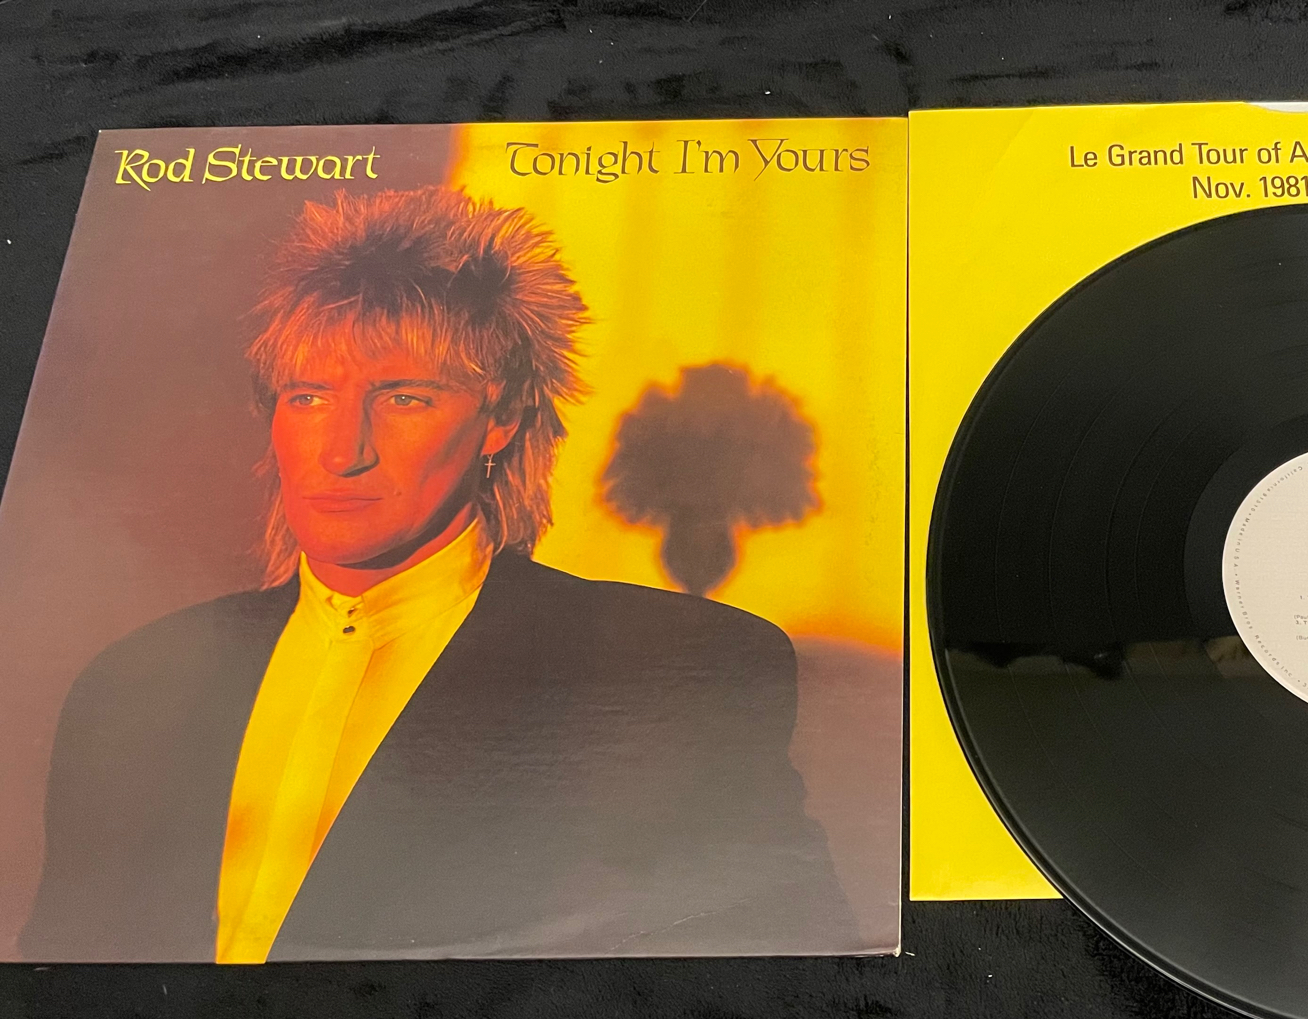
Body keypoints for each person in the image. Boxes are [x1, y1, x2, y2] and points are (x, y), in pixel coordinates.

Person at [20, 186, 854, 961]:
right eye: (308, 397)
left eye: (404, 398)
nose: (342, 452)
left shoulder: (671, 675)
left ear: (501, 419)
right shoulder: (132, 680)